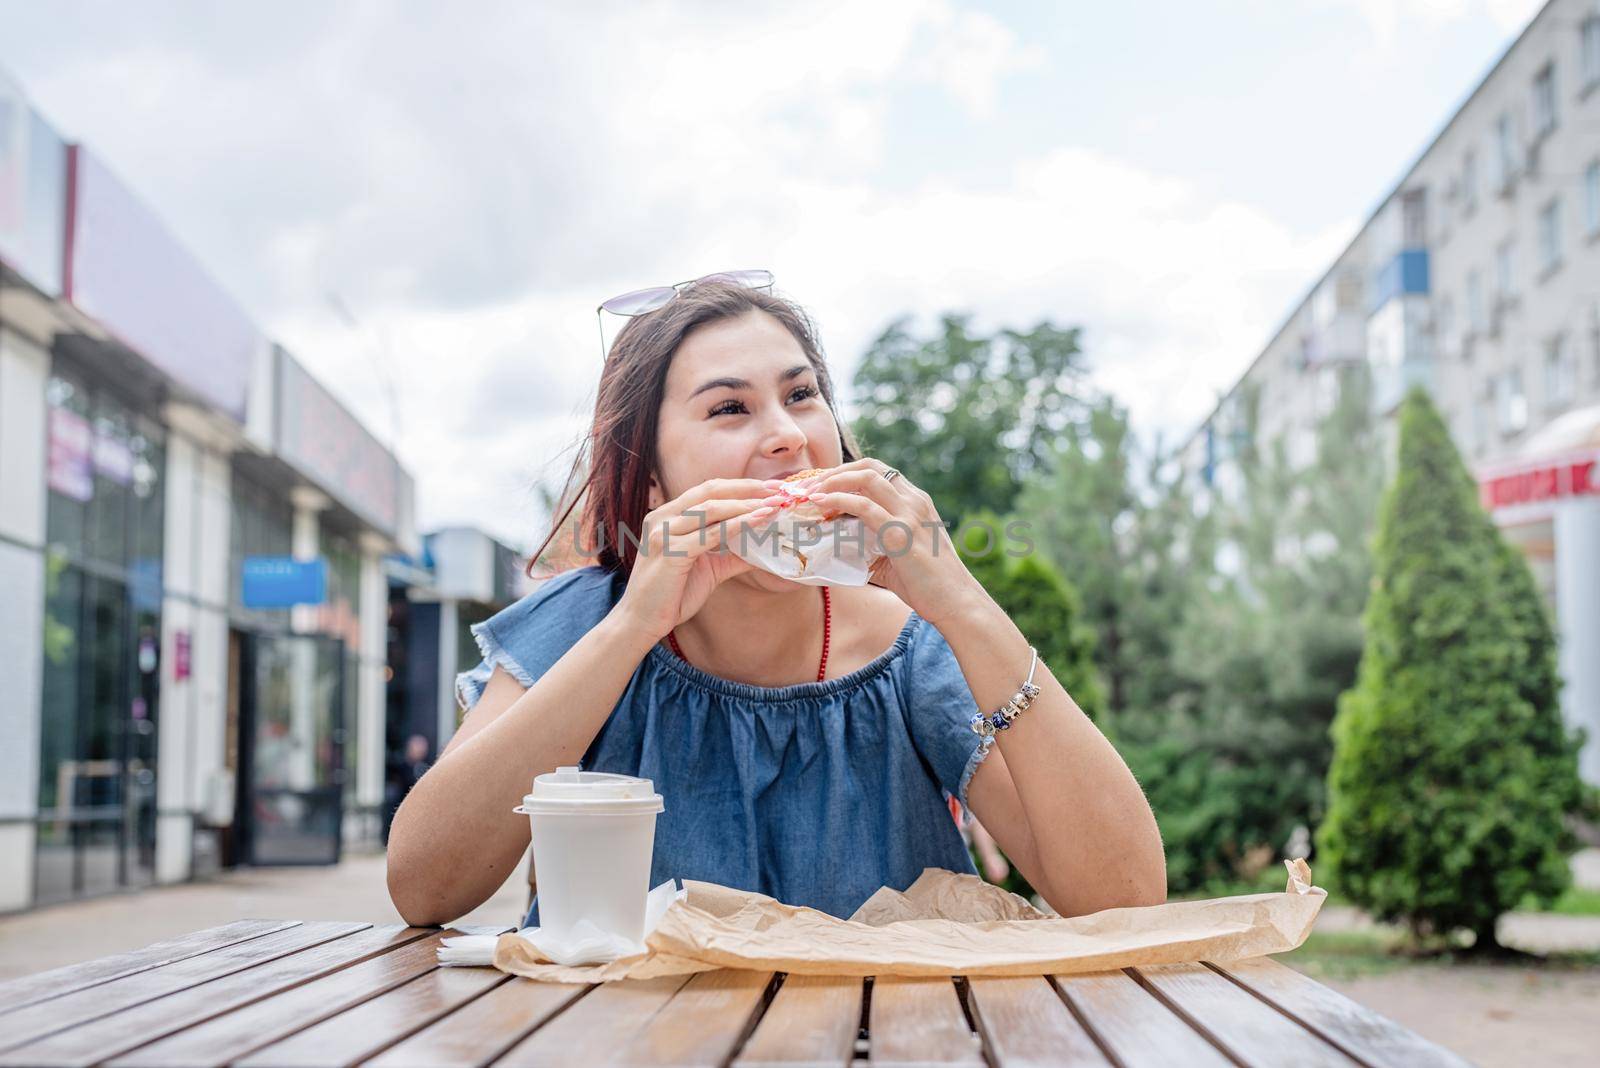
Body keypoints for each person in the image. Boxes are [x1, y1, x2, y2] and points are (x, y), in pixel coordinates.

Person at [385, 275, 1165, 927]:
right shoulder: (585, 621)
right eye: (730, 408)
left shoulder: (914, 646)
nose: (788, 434)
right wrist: (633, 628)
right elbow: (425, 889)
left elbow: (1123, 897)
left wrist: (964, 604)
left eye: (802, 395)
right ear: (651, 480)